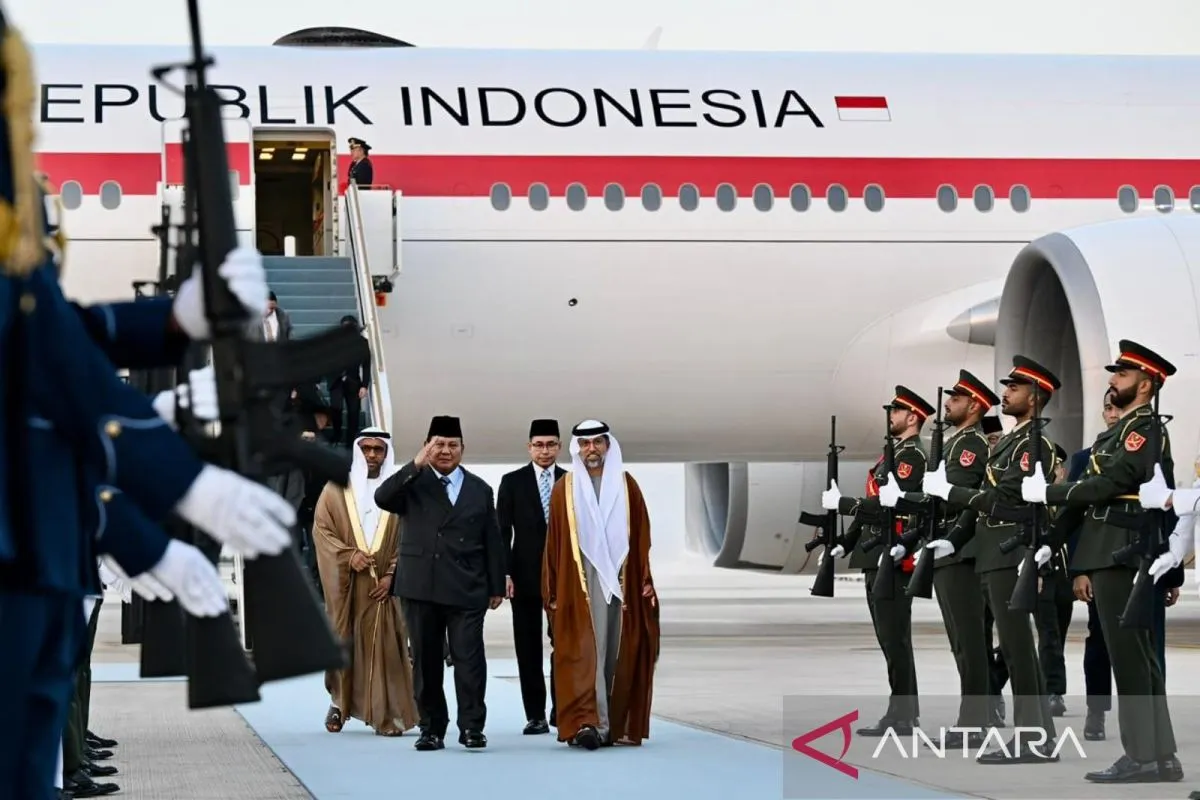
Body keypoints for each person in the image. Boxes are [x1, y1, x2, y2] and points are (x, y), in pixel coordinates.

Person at [1, 98, 294, 799]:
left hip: (39, 575)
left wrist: (175, 320)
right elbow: (47, 355)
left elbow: (57, 340)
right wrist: (179, 482)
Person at [1034, 340, 1182, 783]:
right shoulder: (1117, 433)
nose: (1113, 380)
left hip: (1122, 549)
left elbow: (1110, 483)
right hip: (1109, 549)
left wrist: (1049, 491)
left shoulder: (1143, 429)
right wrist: (1052, 540)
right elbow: (1090, 495)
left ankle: (1143, 757)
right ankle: (1160, 756)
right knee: (1137, 657)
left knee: (1131, 659)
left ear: (1146, 384)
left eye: (1122, 373)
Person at [923, 355, 1061, 764]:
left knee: (1018, 650)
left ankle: (1034, 738)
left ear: (1034, 397)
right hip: (990, 553)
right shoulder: (1008, 444)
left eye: (1015, 388)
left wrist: (950, 492)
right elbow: (981, 504)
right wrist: (953, 539)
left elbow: (1001, 499)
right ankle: (1036, 736)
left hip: (1010, 553)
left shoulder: (1034, 445)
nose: (1006, 393)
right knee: (1014, 650)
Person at [878, 370, 995, 748]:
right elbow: (934, 500)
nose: (948, 404)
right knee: (961, 642)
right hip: (944, 546)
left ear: (974, 406)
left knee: (970, 641)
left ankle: (975, 722)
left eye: (956, 399)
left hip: (961, 550)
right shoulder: (952, 442)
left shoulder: (971, 444)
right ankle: (974, 718)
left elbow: (958, 498)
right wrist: (911, 534)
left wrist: (908, 502)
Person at [375, 416, 505, 751]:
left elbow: (492, 539)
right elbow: (382, 498)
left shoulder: (479, 489)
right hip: (421, 585)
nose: (446, 451)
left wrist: (496, 584)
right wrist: (416, 464)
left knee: (469, 659)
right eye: (439, 444)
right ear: (426, 446)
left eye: (452, 445)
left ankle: (472, 726)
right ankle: (431, 728)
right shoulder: (412, 483)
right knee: (426, 661)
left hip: (467, 586)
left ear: (463, 448)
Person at [822, 386, 933, 735]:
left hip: (893, 555)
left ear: (912, 417)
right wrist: (846, 541)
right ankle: (901, 711)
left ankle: (903, 715)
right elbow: (874, 504)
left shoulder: (912, 457)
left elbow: (891, 505)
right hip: (875, 553)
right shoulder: (892, 455)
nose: (890, 416)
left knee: (895, 638)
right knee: (888, 639)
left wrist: (845, 504)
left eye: (896, 411)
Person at [543, 420, 659, 749]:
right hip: (579, 582)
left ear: (608, 445)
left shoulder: (627, 485)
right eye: (585, 444)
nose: (591, 449)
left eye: (597, 442)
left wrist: (644, 579)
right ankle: (587, 722)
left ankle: (609, 724)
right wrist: (552, 590)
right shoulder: (564, 488)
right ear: (577, 448)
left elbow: (642, 538)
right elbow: (554, 545)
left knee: (616, 649)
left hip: (621, 581)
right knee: (583, 650)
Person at [314, 427, 419, 737]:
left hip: (385, 587)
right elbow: (322, 531)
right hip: (349, 584)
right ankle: (339, 702)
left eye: (378, 449)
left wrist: (392, 575)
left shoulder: (399, 490)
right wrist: (348, 557)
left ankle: (386, 714)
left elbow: (411, 535)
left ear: (386, 453)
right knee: (343, 641)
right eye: (366, 449)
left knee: (385, 647)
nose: (372, 455)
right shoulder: (336, 488)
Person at [497, 419, 566, 734]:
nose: (545, 450)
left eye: (551, 444)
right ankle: (535, 715)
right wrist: (503, 573)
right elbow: (502, 532)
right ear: (529, 447)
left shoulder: (571, 481)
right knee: (527, 647)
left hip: (563, 577)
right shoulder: (512, 482)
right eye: (539, 445)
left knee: (564, 644)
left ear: (559, 447)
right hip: (523, 577)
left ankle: (562, 710)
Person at [1036, 443, 1074, 718]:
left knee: (1057, 634)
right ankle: (1053, 691)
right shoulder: (1034, 498)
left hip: (1063, 577)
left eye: (1059, 466)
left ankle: (995, 680)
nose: (1057, 471)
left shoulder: (1067, 500)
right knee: (1048, 635)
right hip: (1041, 575)